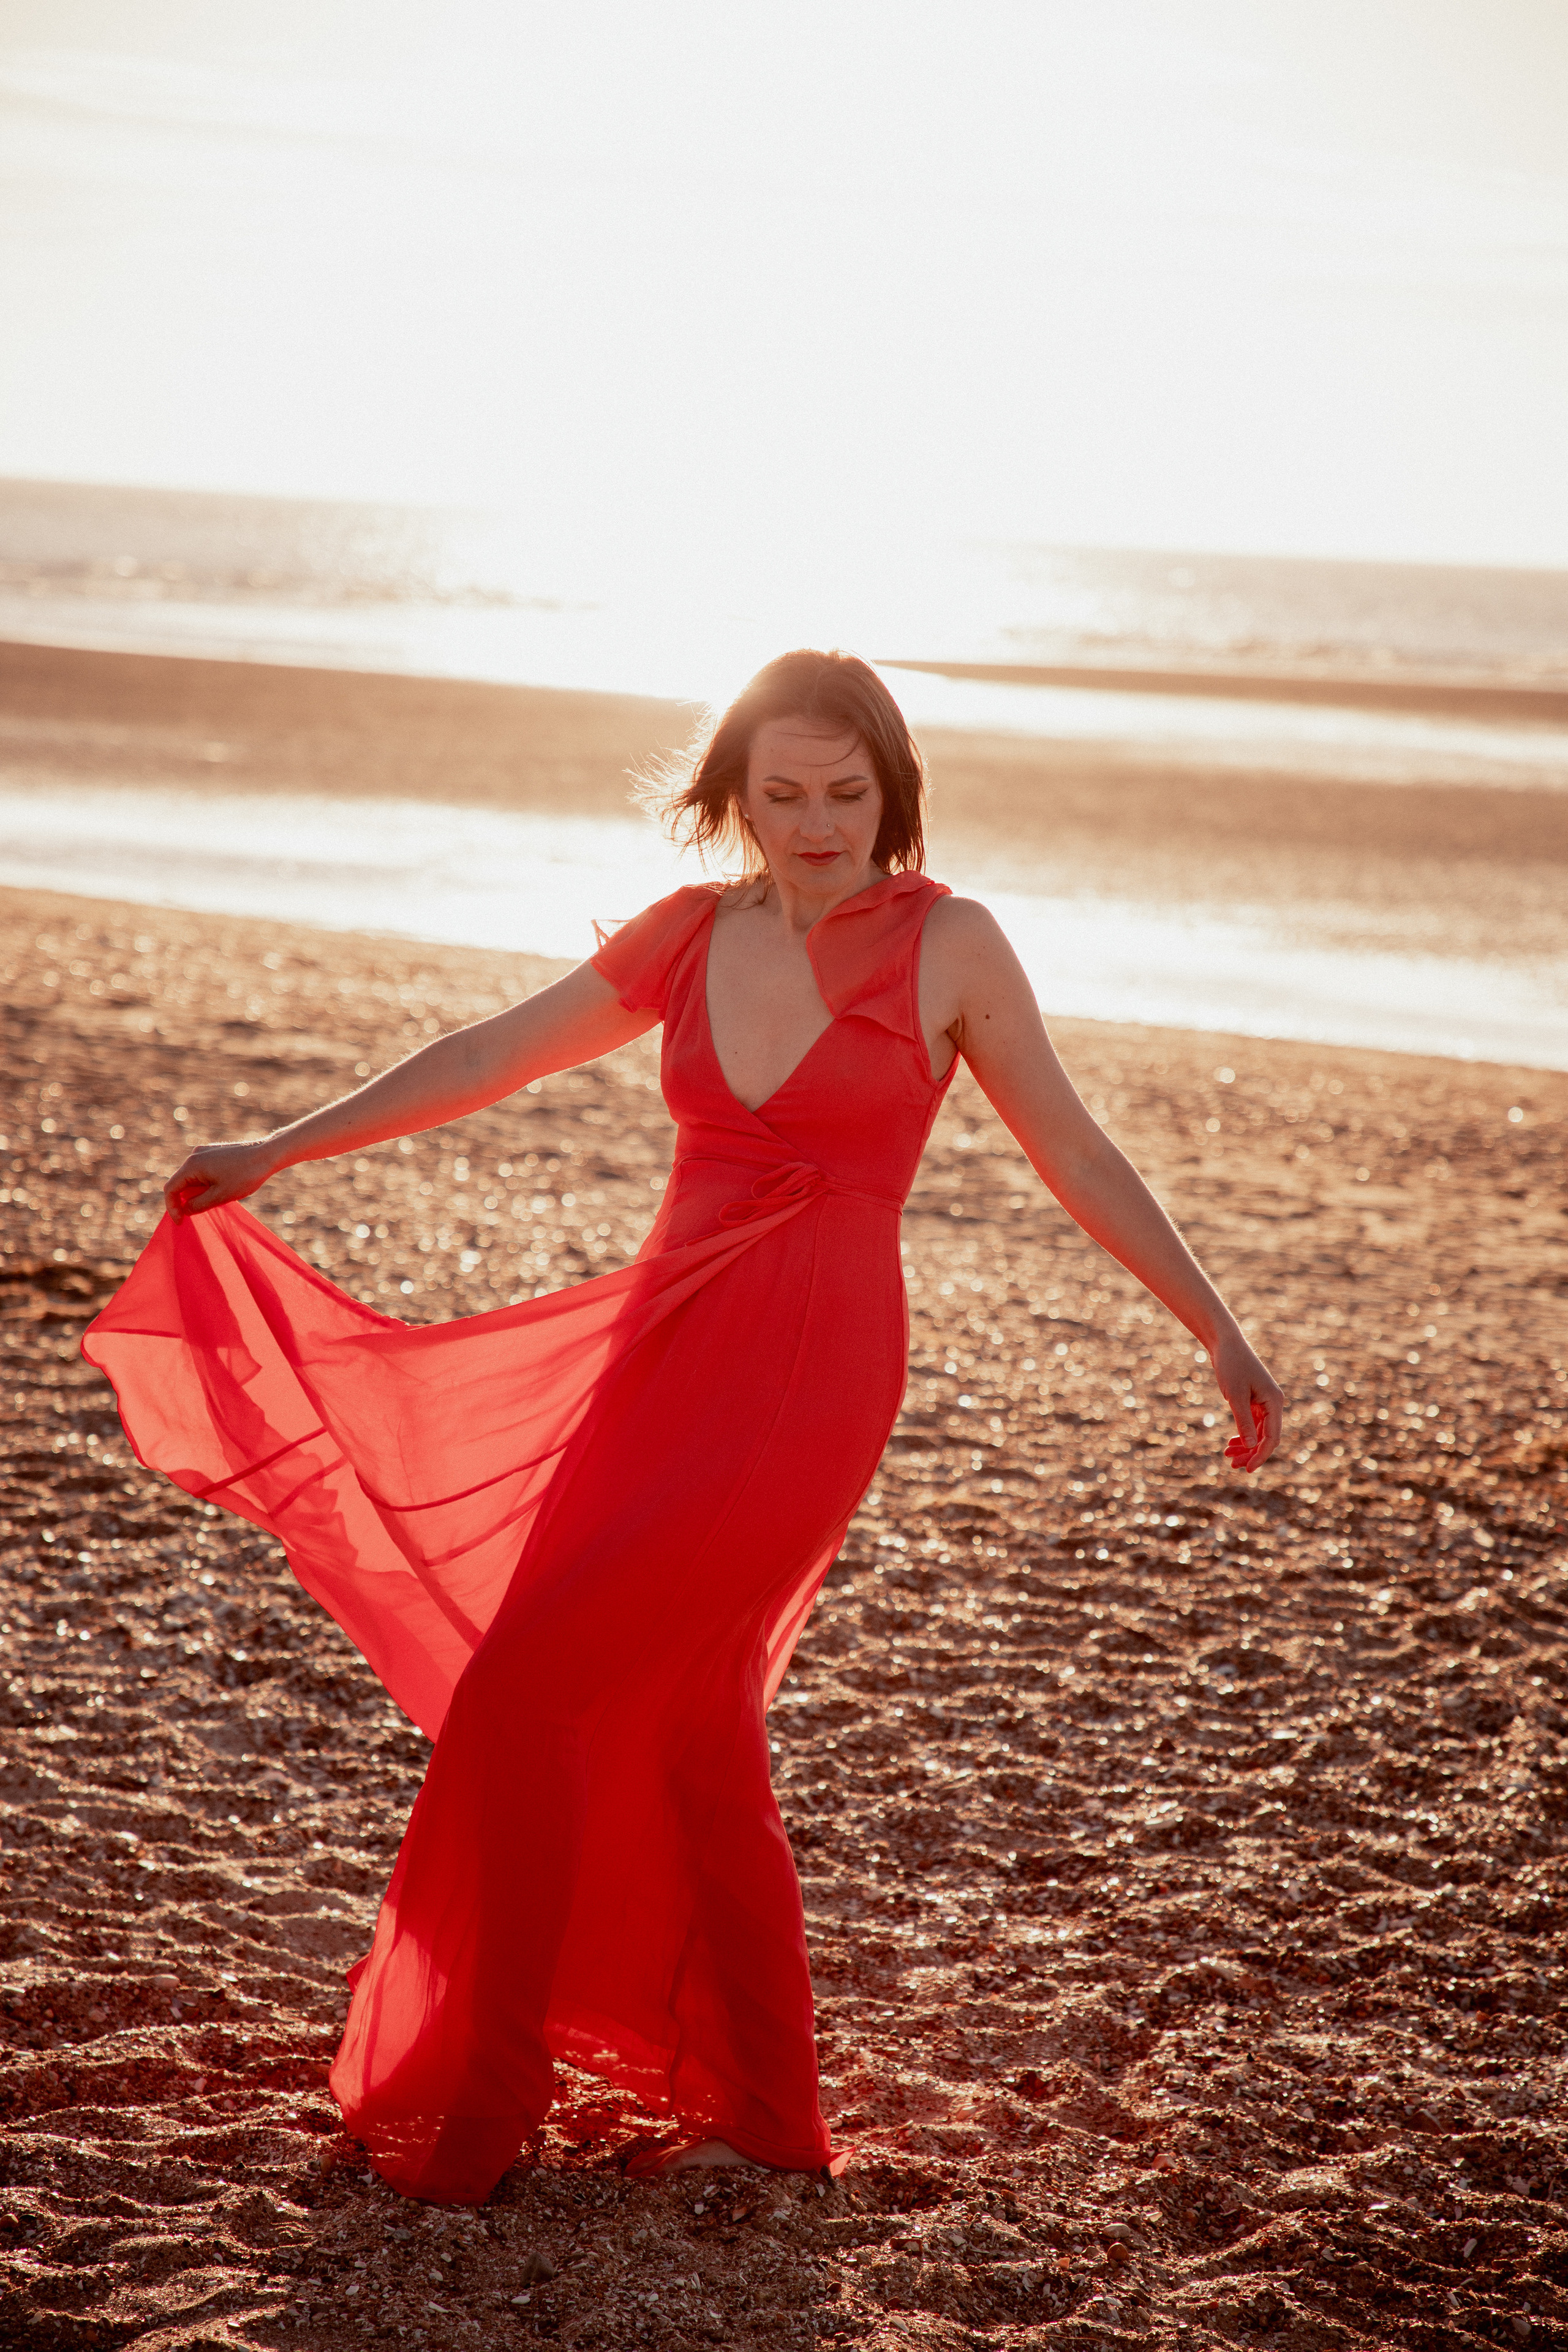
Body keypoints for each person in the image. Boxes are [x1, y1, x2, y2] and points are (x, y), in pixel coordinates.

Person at [84, 647, 1283, 2205]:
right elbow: (485, 1056)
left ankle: (486, 2090)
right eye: (779, 793)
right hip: (662, 1350)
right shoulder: (687, 938)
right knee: (697, 1733)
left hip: (813, 1372)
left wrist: (1215, 1324)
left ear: (891, 791)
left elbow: (1070, 1145)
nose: (813, 823)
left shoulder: (954, 945)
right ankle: (767, 2110)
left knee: (528, 1685)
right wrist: (278, 1148)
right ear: (734, 795)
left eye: (844, 793)